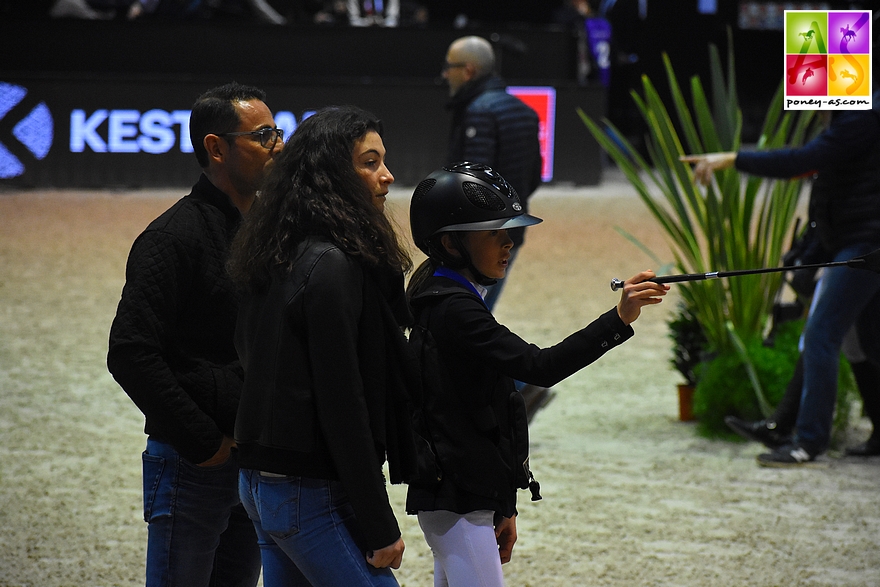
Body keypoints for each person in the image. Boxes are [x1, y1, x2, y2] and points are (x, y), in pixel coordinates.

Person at [405, 162, 668, 586]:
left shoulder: (445, 293)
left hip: (466, 498)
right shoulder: (454, 308)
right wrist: (620, 318)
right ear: (452, 244)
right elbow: (539, 367)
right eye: (495, 232)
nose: (510, 241)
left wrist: (502, 505)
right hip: (457, 500)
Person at [227, 105, 418, 587]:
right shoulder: (331, 263)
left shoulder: (277, 245)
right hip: (305, 487)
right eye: (370, 162)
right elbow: (342, 400)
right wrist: (379, 524)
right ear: (331, 174)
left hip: (265, 477)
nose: (388, 176)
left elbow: (246, 352)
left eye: (384, 160)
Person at [107, 82, 282, 585]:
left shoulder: (268, 233)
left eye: (277, 132)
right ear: (216, 147)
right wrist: (204, 443)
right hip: (192, 462)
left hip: (251, 462)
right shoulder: (172, 237)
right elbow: (131, 352)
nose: (278, 146)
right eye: (263, 135)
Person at [681, 93, 880, 466]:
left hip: (866, 245)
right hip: (857, 242)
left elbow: (802, 161)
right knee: (858, 340)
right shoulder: (853, 115)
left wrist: (733, 158)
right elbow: (828, 183)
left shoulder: (860, 116)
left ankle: (807, 442)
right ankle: (786, 426)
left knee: (823, 333)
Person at [441, 35, 542, 313]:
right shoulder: (524, 111)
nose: (445, 74)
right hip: (513, 228)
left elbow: (472, 185)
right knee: (481, 310)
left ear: (469, 71)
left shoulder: (478, 112)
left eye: (450, 67)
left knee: (465, 313)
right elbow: (535, 175)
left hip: (479, 237)